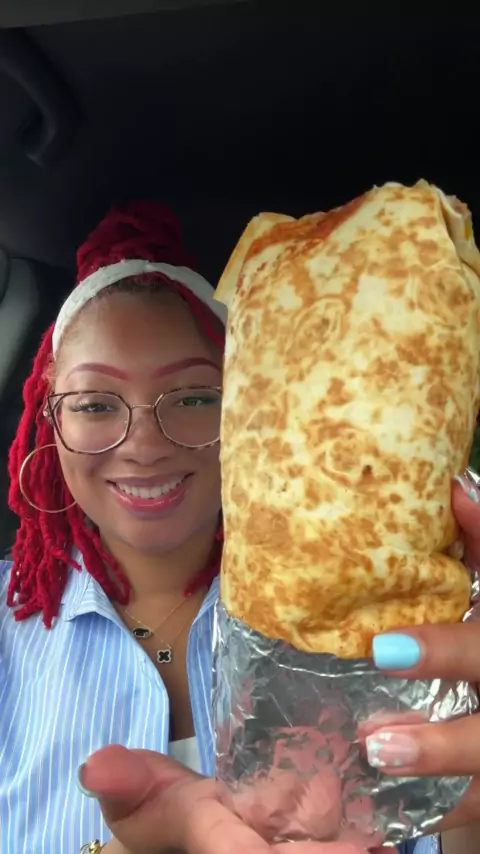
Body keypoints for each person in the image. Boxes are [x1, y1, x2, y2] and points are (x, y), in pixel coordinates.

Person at [0, 199, 478, 854]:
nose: (144, 444)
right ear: (50, 419)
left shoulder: (371, 613)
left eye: (195, 397)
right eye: (94, 403)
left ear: (254, 411)